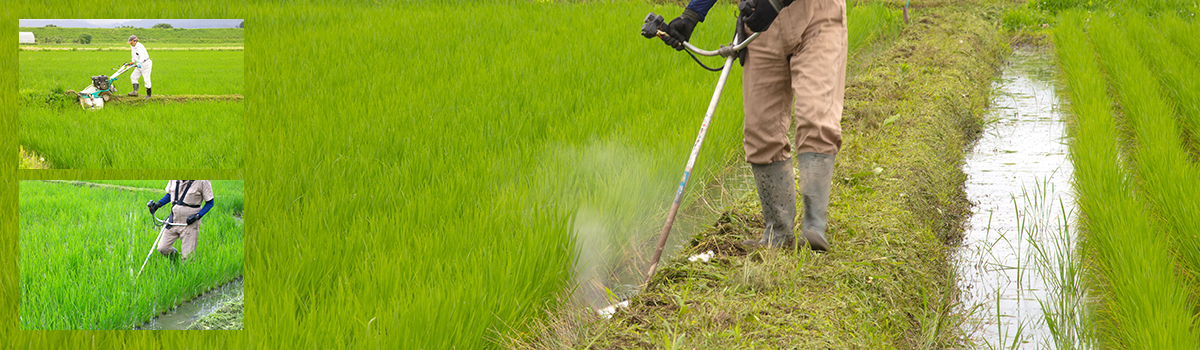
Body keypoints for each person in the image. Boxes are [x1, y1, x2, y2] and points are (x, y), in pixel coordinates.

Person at [661, 0, 847, 251]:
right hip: (760, 23)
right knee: (761, 130)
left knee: (816, 116)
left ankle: (814, 227)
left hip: (818, 16)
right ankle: (778, 233)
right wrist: (692, 15)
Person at [146, 180, 215, 260]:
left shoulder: (202, 181)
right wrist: (158, 204)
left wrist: (197, 216)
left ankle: (185, 269)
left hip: (189, 223)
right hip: (173, 220)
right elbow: (170, 195)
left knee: (187, 258)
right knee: (162, 248)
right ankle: (176, 260)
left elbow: (210, 203)